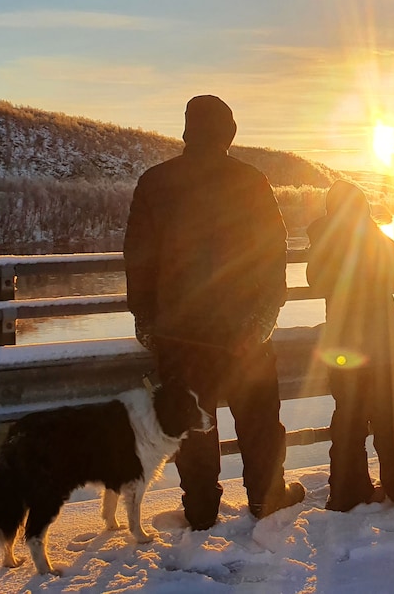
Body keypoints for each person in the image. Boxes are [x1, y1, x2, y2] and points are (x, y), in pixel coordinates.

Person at [124, 95, 304, 531]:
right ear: (229, 133)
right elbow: (273, 257)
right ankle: (264, 497)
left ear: (188, 131)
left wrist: (147, 323)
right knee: (259, 416)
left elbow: (138, 259)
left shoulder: (155, 182)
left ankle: (201, 508)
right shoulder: (251, 181)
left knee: (192, 421)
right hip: (241, 330)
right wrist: (262, 320)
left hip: (178, 332)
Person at [306, 180, 394, 512]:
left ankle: (345, 491)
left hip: (344, 349)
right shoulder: (371, 237)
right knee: (388, 414)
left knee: (348, 418)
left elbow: (316, 281)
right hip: (383, 346)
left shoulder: (322, 240)